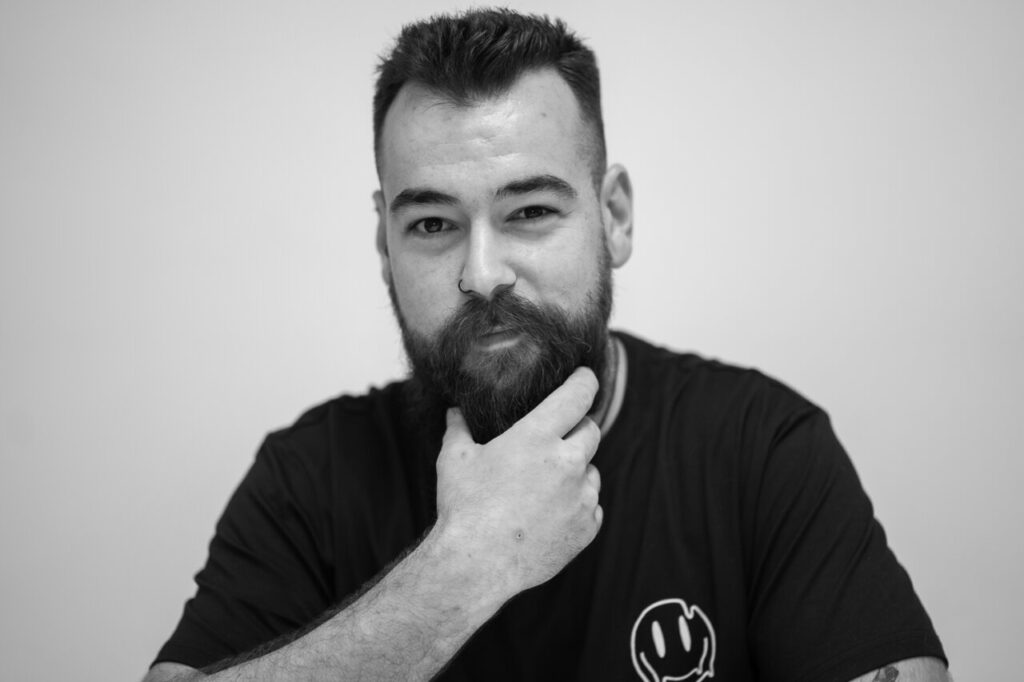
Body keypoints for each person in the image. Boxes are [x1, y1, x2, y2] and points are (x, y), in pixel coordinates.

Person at [144, 8, 949, 682]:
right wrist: (462, 571)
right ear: (385, 247)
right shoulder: (310, 475)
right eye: (431, 224)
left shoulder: (758, 447)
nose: (482, 274)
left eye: (529, 211)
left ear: (615, 218)